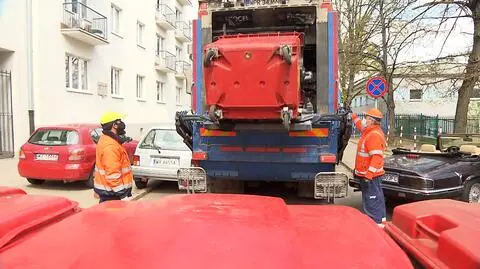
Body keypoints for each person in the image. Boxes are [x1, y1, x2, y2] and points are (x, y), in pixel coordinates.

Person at [352, 108, 387, 227]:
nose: (364, 120)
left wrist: (369, 175)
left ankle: (375, 226)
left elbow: (377, 157)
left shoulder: (373, 135)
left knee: (372, 201)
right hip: (369, 175)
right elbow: (359, 124)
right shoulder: (369, 130)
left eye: (366, 118)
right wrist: (352, 115)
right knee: (376, 198)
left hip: (371, 176)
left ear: (371, 121)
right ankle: (380, 222)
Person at [93, 111, 133, 203]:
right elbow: (112, 174)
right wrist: (123, 195)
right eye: (120, 121)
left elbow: (101, 166)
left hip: (109, 193)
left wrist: (96, 189)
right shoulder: (110, 146)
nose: (122, 124)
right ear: (114, 125)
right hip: (113, 195)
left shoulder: (107, 139)